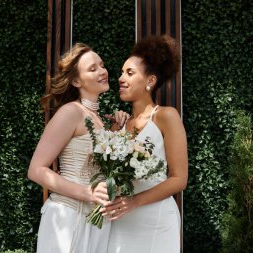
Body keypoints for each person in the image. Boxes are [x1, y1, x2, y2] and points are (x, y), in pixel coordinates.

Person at [102, 35, 188, 253]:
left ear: (150, 80)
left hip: (156, 220)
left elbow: (179, 179)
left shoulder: (166, 116)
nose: (121, 78)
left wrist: (135, 201)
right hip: (120, 221)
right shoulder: (118, 125)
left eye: (129, 73)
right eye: (121, 72)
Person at [28, 43, 112, 253]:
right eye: (93, 69)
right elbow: (36, 170)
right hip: (67, 217)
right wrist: (87, 193)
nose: (102, 71)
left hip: (95, 220)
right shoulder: (70, 112)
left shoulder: (101, 121)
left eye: (102, 65)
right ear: (76, 80)